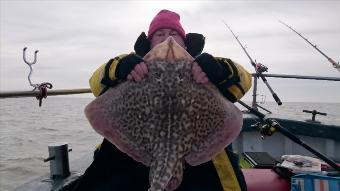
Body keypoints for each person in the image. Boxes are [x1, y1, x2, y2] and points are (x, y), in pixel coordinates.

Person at [73, 9, 252, 191]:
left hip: (200, 158)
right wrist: (118, 69)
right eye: (160, 34)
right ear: (150, 43)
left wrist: (219, 70)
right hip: (134, 153)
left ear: (185, 42)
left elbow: (245, 79)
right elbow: (96, 83)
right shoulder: (130, 63)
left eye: (174, 34)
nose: (169, 40)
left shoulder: (206, 63)